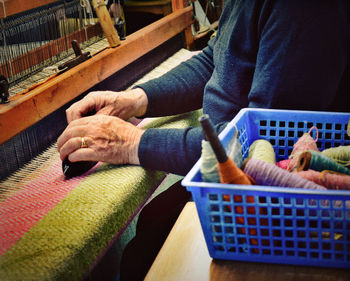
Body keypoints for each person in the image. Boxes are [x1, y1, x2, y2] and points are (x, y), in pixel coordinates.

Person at [57, 0, 349, 280]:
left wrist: (130, 143)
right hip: (237, 165)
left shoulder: (306, 9)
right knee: (152, 225)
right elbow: (218, 59)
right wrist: (135, 99)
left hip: (270, 202)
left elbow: (265, 139)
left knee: (151, 246)